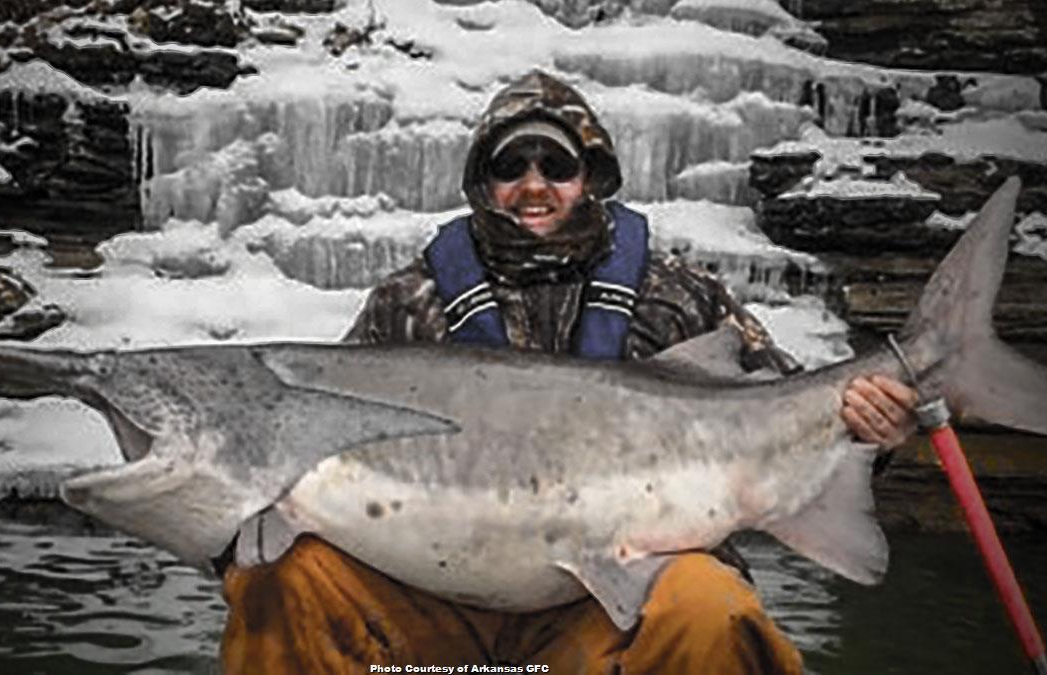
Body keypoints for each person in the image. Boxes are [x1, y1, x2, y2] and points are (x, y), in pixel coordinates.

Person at [220, 70, 918, 674]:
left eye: (554, 165)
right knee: (280, 580)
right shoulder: (409, 301)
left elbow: (794, 415)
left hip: (608, 611)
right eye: (510, 166)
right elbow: (313, 446)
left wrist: (871, 432)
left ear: (590, 177)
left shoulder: (681, 293)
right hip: (431, 618)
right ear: (482, 183)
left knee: (712, 609)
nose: (533, 185)